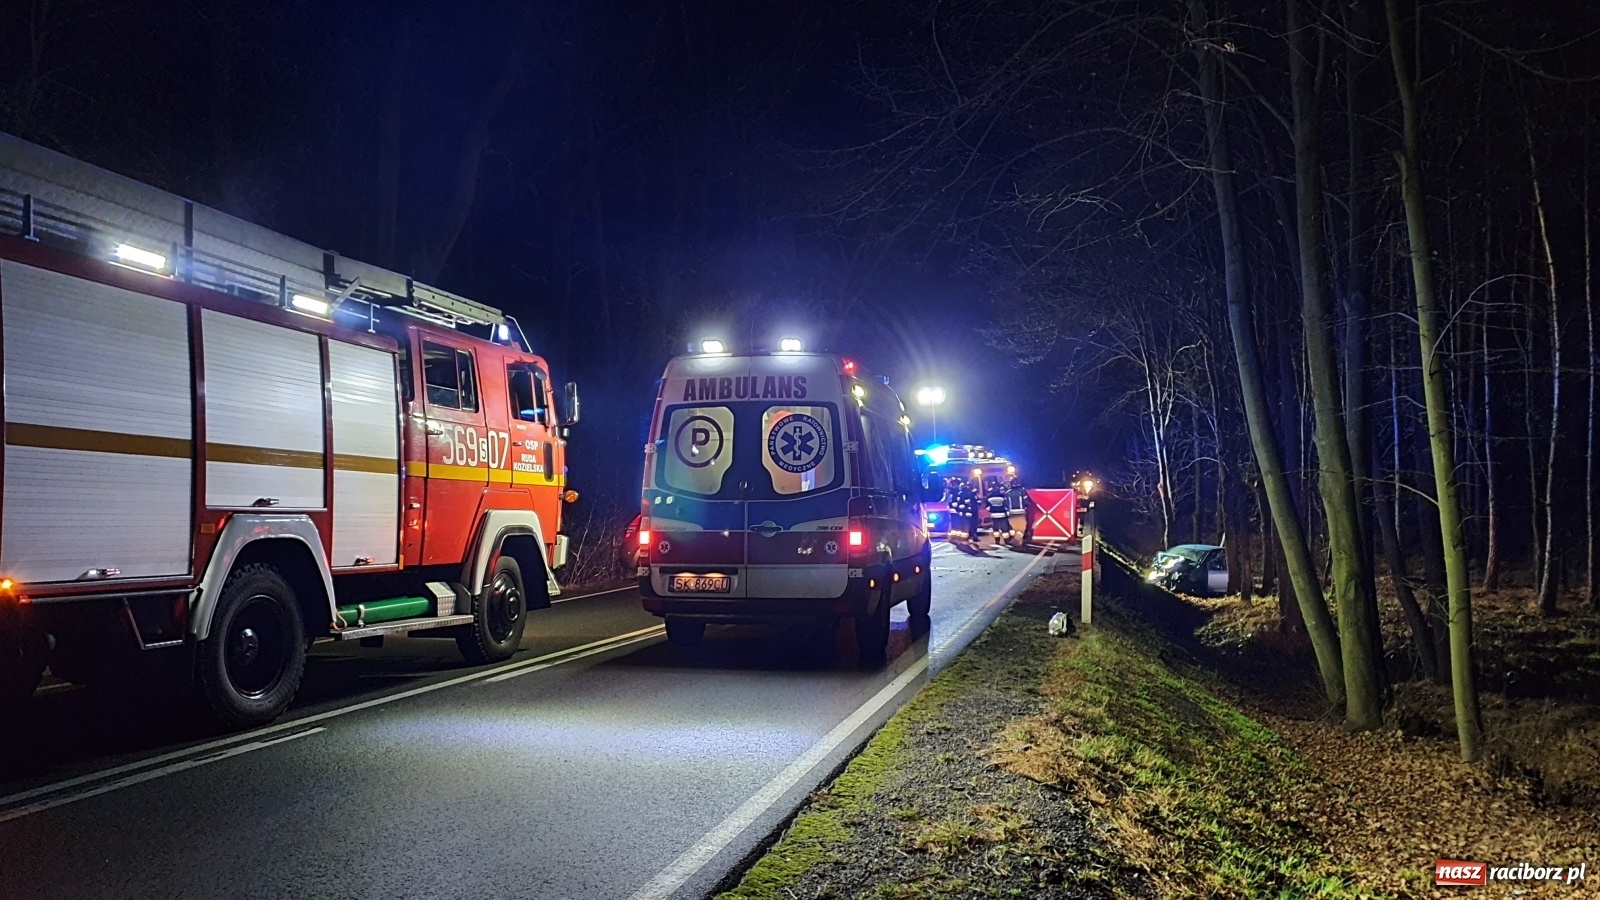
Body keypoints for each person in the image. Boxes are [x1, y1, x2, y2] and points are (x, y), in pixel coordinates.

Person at [1005, 477, 1033, 546]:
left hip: (1012, 514)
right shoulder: (1022, 491)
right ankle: (1019, 542)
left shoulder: (1007, 492)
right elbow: (1027, 502)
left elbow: (1005, 503)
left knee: (1014, 529)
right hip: (1021, 513)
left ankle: (1015, 541)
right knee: (1021, 530)